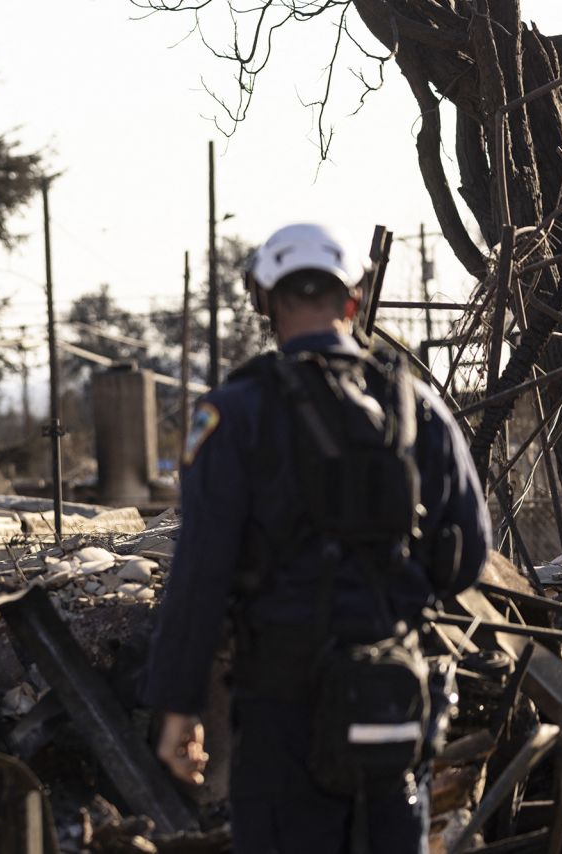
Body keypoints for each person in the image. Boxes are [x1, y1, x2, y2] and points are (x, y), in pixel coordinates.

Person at [143, 223, 491, 853]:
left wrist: (177, 708)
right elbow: (468, 555)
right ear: (353, 301)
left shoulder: (233, 412)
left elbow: (199, 576)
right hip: (393, 694)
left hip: (283, 709)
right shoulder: (418, 406)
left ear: (265, 303)